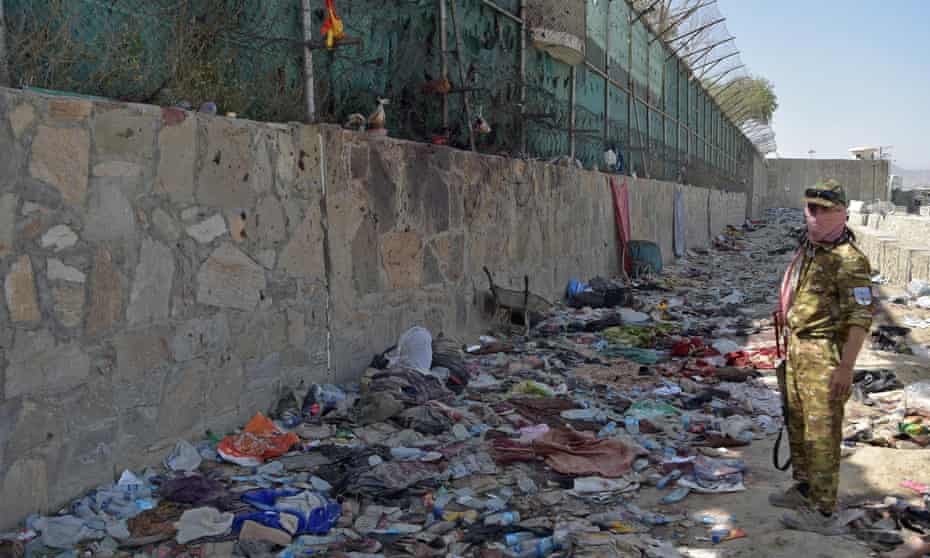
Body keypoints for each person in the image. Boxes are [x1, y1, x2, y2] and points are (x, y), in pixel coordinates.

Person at [769, 179, 875, 533]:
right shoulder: (813, 250)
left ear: (841, 212)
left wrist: (846, 367)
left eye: (823, 209)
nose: (814, 215)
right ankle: (803, 487)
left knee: (822, 431)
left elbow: (861, 317)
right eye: (810, 208)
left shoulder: (850, 260)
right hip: (798, 348)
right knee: (798, 423)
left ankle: (824, 510)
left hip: (824, 354)